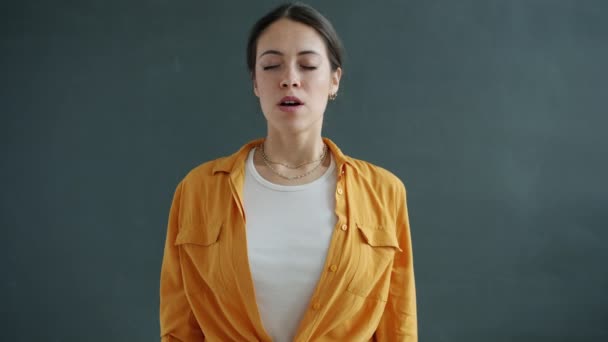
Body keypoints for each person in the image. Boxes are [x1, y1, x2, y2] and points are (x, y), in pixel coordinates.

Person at [159, 2, 417, 341]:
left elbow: (398, 326)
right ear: (255, 81)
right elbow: (179, 331)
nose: (289, 80)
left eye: (308, 65)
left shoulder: (384, 192)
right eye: (271, 66)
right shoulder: (198, 190)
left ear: (334, 80)